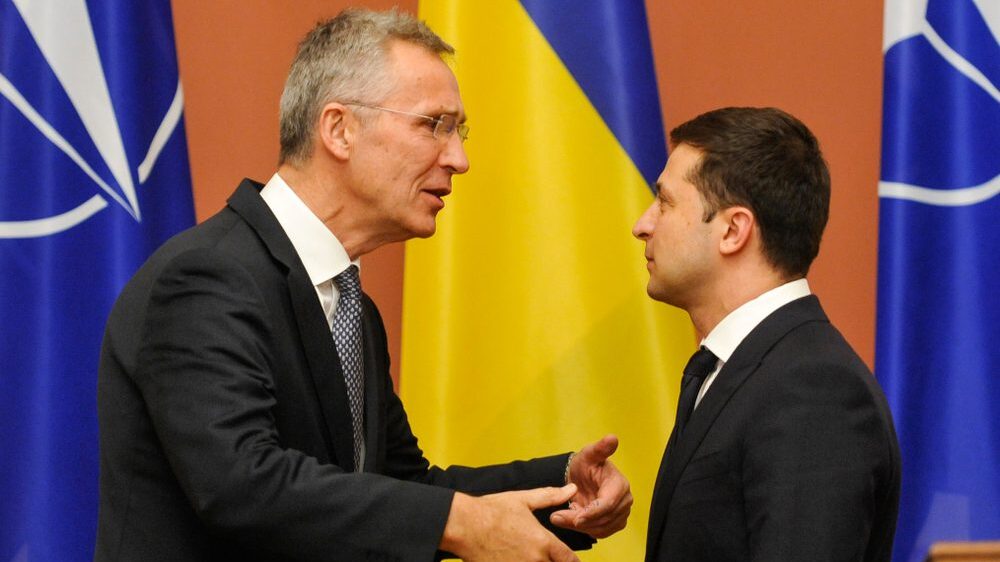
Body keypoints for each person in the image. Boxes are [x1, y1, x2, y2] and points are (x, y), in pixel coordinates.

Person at [96, 9, 631, 562]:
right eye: (434, 125)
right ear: (339, 129)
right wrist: (457, 521)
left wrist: (565, 491)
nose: (460, 159)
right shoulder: (208, 278)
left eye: (458, 131)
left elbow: (399, 486)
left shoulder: (350, 305)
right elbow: (241, 485)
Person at [633, 107, 901, 562]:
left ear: (734, 230)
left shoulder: (815, 391)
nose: (642, 224)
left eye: (665, 202)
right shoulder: (744, 370)